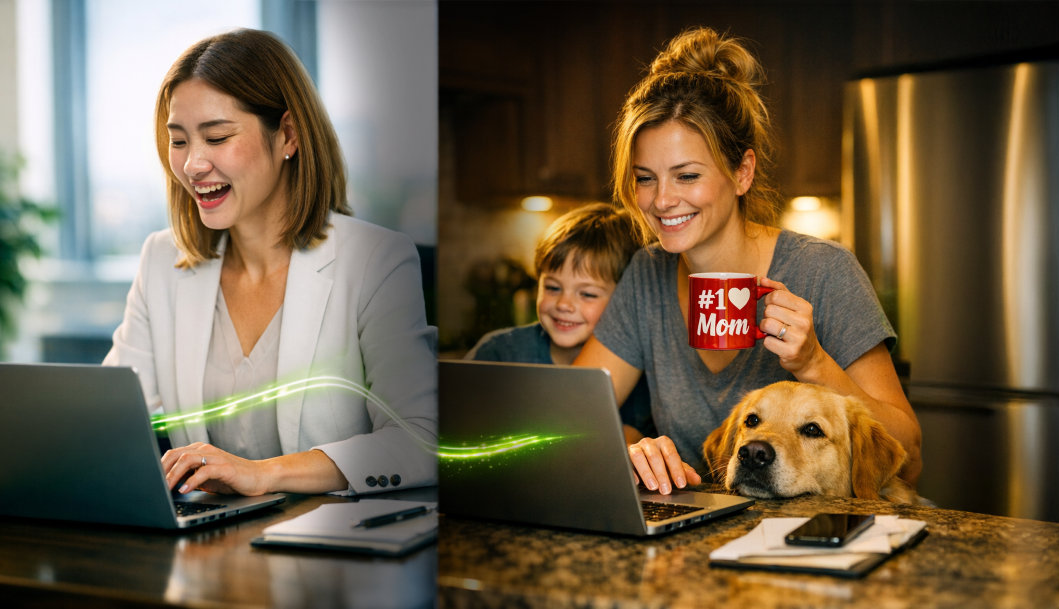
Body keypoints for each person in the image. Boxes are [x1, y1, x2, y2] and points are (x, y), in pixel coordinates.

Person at [574, 27, 922, 495]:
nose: (662, 200)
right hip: (702, 536)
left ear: (742, 172)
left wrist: (814, 362)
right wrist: (629, 443)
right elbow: (570, 416)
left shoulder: (823, 271)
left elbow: (912, 460)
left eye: (687, 175)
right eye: (645, 178)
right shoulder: (647, 273)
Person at [103, 29, 436, 496]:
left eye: (216, 137)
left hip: (333, 552)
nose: (193, 164)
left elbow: (420, 438)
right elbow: (111, 424)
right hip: (209, 548)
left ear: (288, 135)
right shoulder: (162, 261)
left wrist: (263, 473)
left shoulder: (375, 260)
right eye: (179, 141)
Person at [465, 202, 655, 441]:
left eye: (587, 294)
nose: (564, 304)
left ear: (625, 302)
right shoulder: (499, 352)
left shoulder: (640, 378)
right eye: (553, 287)